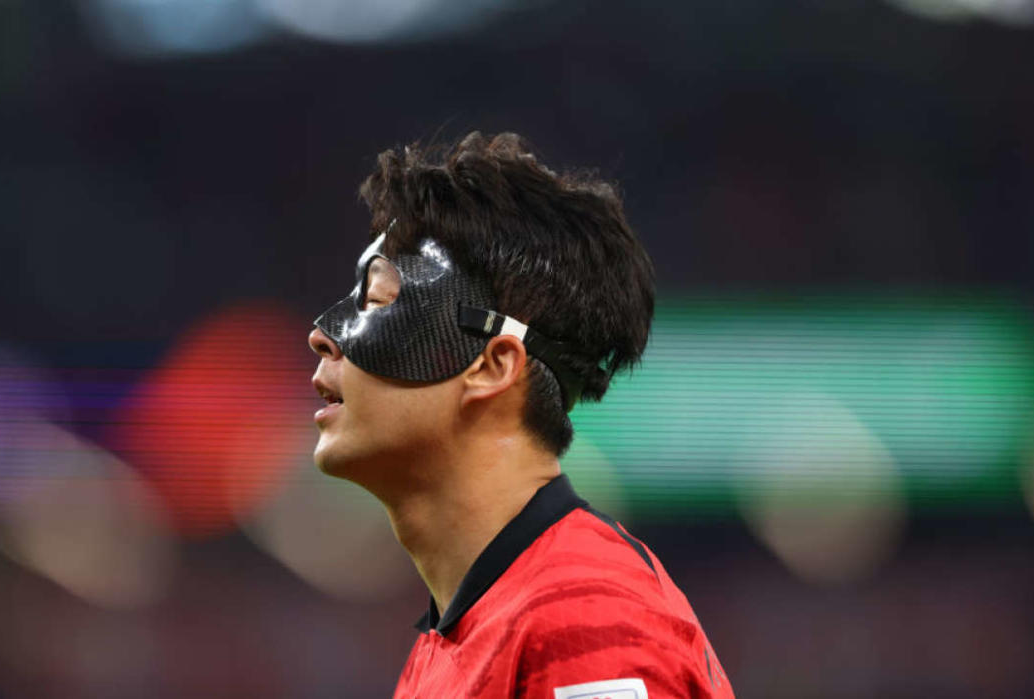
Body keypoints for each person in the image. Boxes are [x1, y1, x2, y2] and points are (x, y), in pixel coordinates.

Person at [308, 132, 734, 698]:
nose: (321, 336)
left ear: (490, 365)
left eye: (380, 301)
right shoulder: (470, 629)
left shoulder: (582, 620)